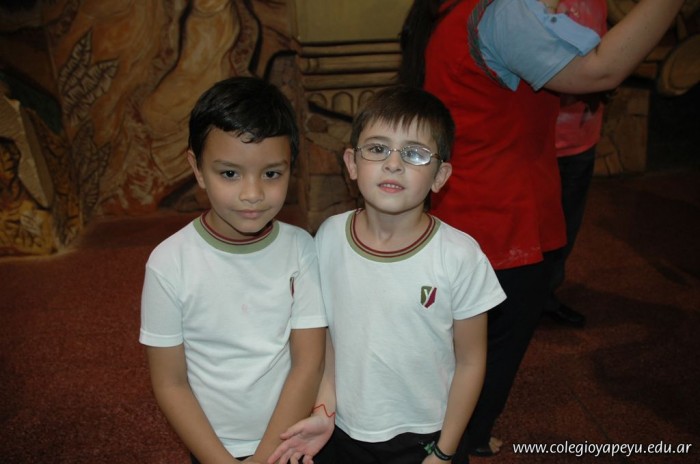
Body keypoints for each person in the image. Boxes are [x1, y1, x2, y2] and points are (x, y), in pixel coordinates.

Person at [398, 0, 684, 459]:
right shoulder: (500, 11)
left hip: (474, 209)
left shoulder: (459, 8)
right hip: (499, 219)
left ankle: (459, 434)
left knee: (466, 347)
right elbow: (600, 70)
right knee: (490, 349)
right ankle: (462, 439)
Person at [268, 85, 506, 464]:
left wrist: (445, 451)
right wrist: (324, 408)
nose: (393, 164)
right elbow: (329, 334)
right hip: (341, 428)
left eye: (415, 153)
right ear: (352, 163)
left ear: (440, 175)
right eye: (378, 149)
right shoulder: (329, 237)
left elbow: (471, 362)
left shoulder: (460, 256)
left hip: (426, 436)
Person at [139, 76, 327, 464]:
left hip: (289, 444)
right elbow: (170, 383)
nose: (252, 194)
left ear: (291, 168)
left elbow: (308, 363)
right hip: (214, 450)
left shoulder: (301, 249)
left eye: (271, 174)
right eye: (229, 173)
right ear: (197, 168)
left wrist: (265, 457)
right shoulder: (168, 263)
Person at [544, 0, 608, 328]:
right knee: (528, 229)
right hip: (535, 142)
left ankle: (546, 296)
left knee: (566, 227)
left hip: (582, 136)